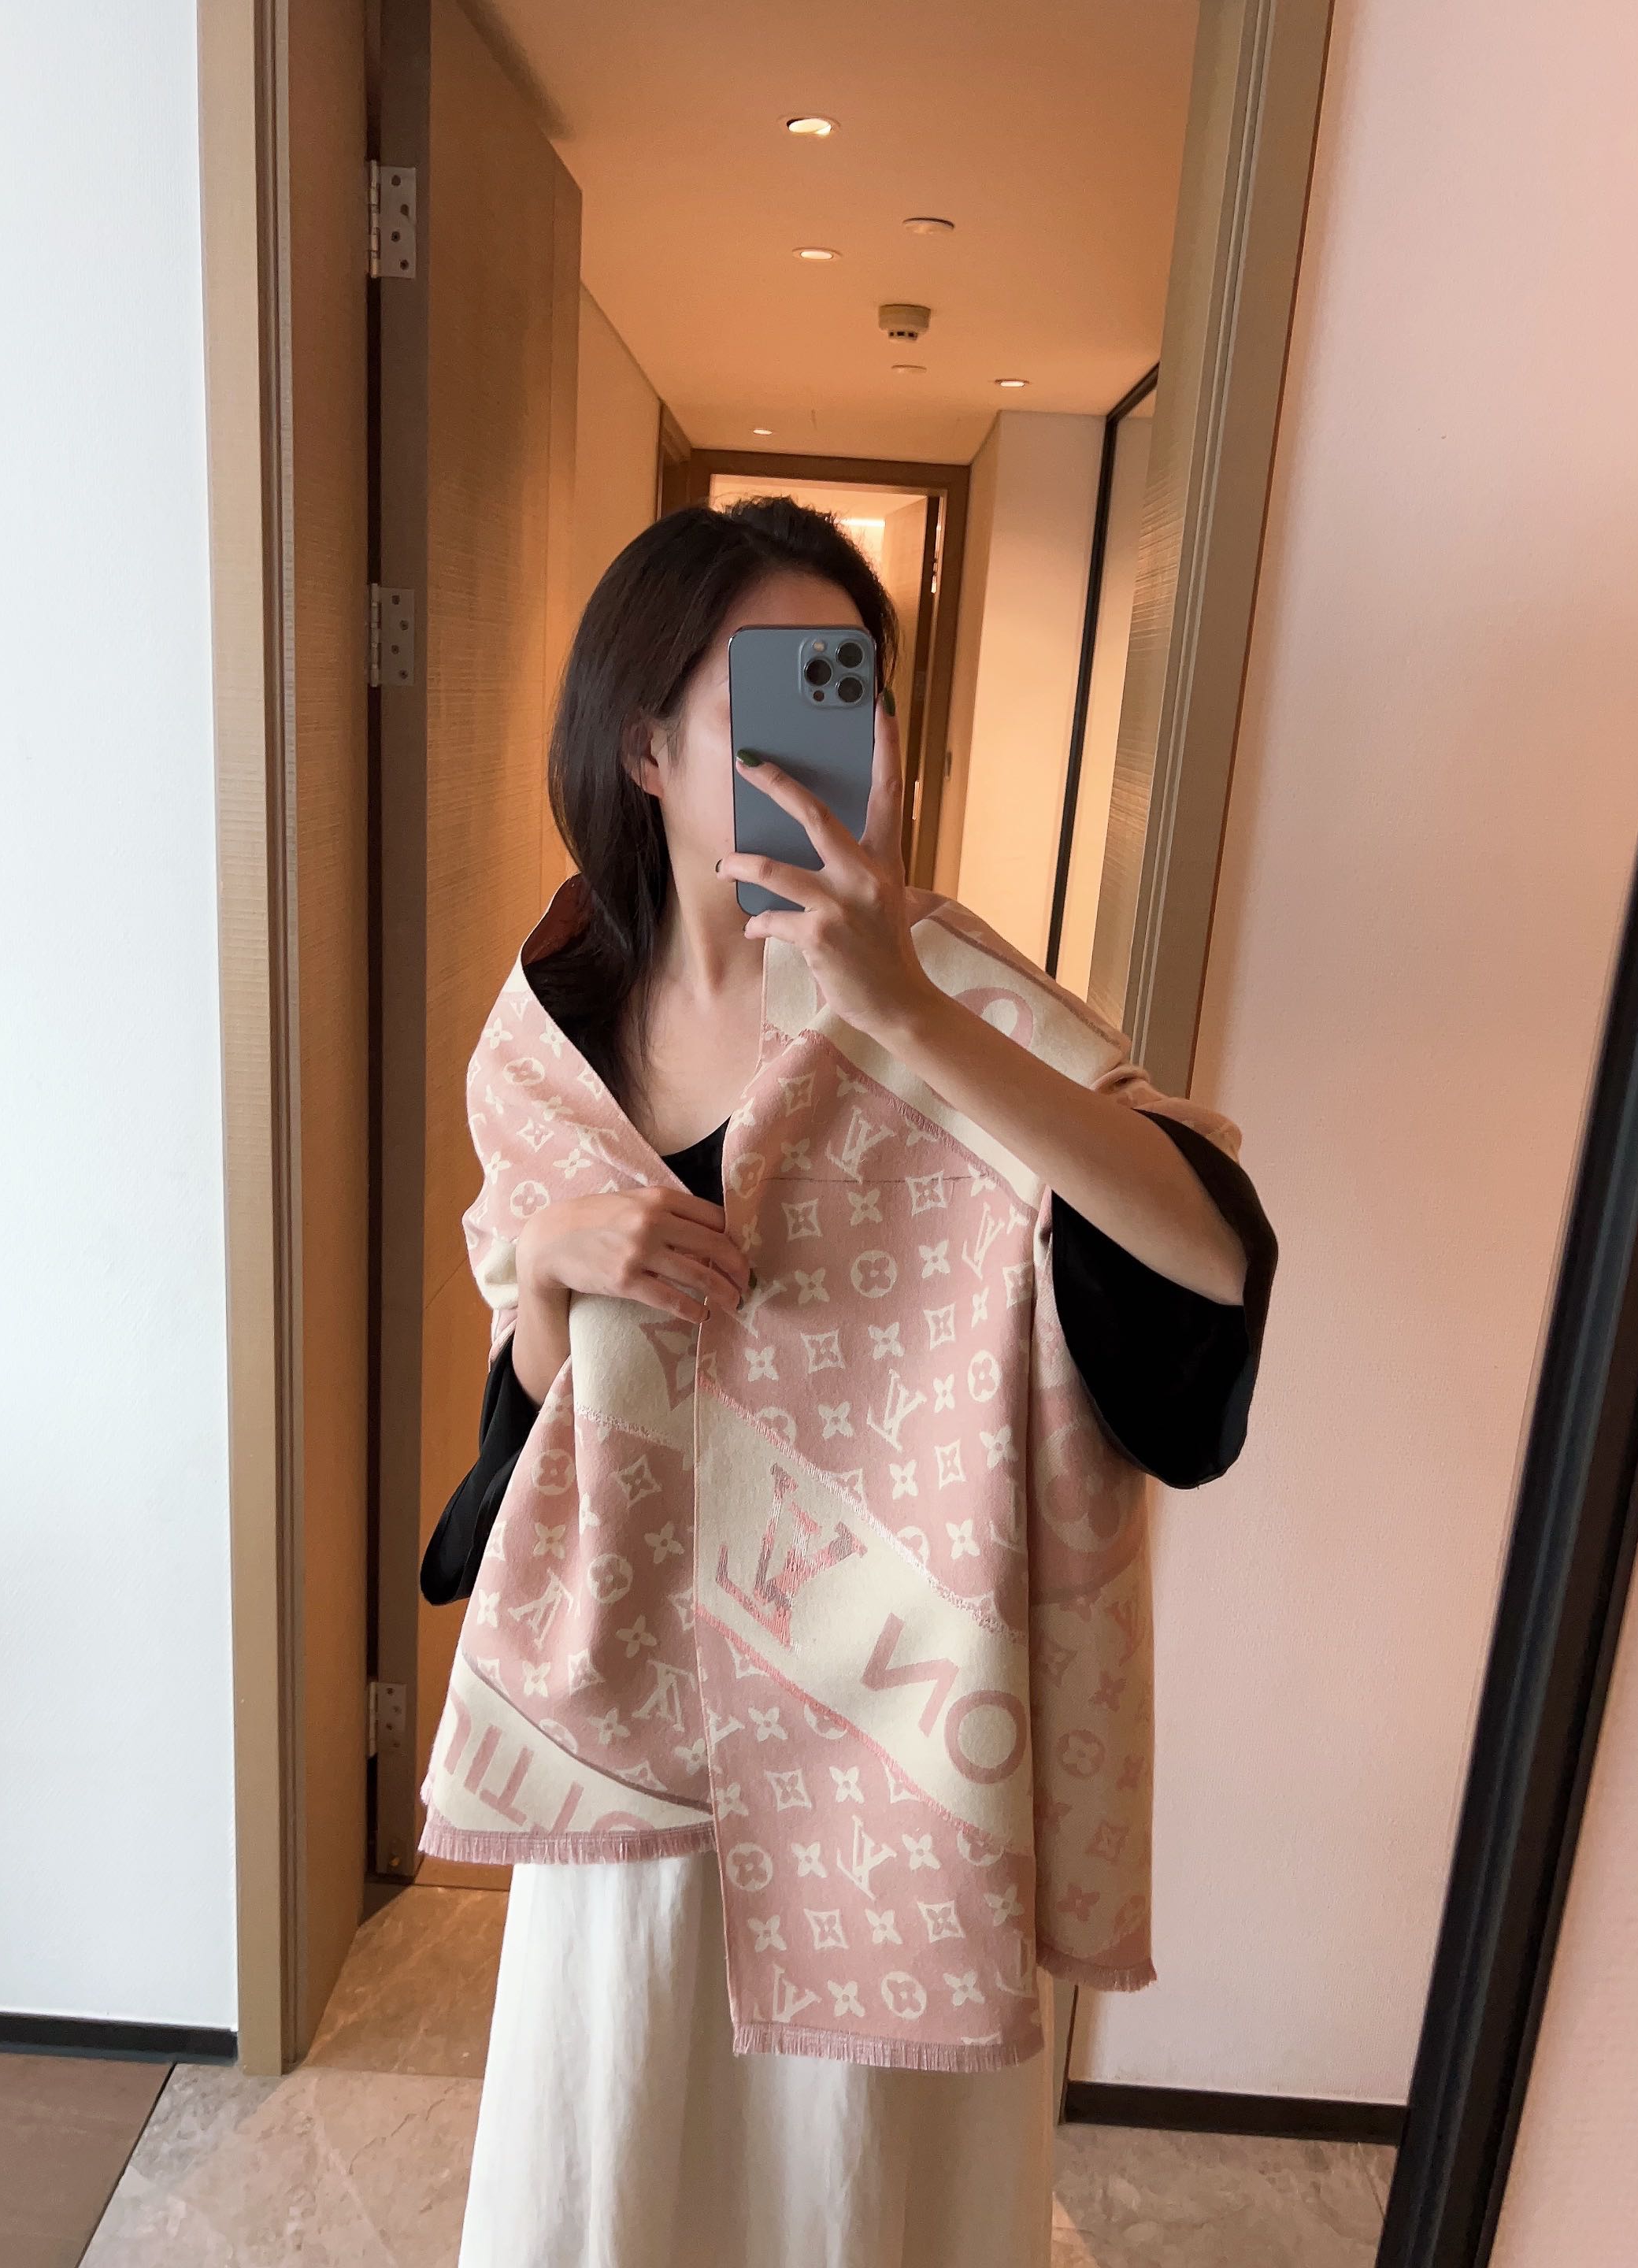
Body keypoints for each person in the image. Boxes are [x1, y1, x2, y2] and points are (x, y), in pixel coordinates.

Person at [424, 498, 1277, 2268]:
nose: (844, 735)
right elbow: (535, 1414)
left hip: (890, 1753)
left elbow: (1209, 1268)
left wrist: (909, 1023)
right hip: (642, 1753)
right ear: (644, 745)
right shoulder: (548, 1031)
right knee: (620, 2173)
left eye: (858, 687)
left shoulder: (935, 978)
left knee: (854, 2205)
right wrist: (557, 1262)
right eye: (783, 685)